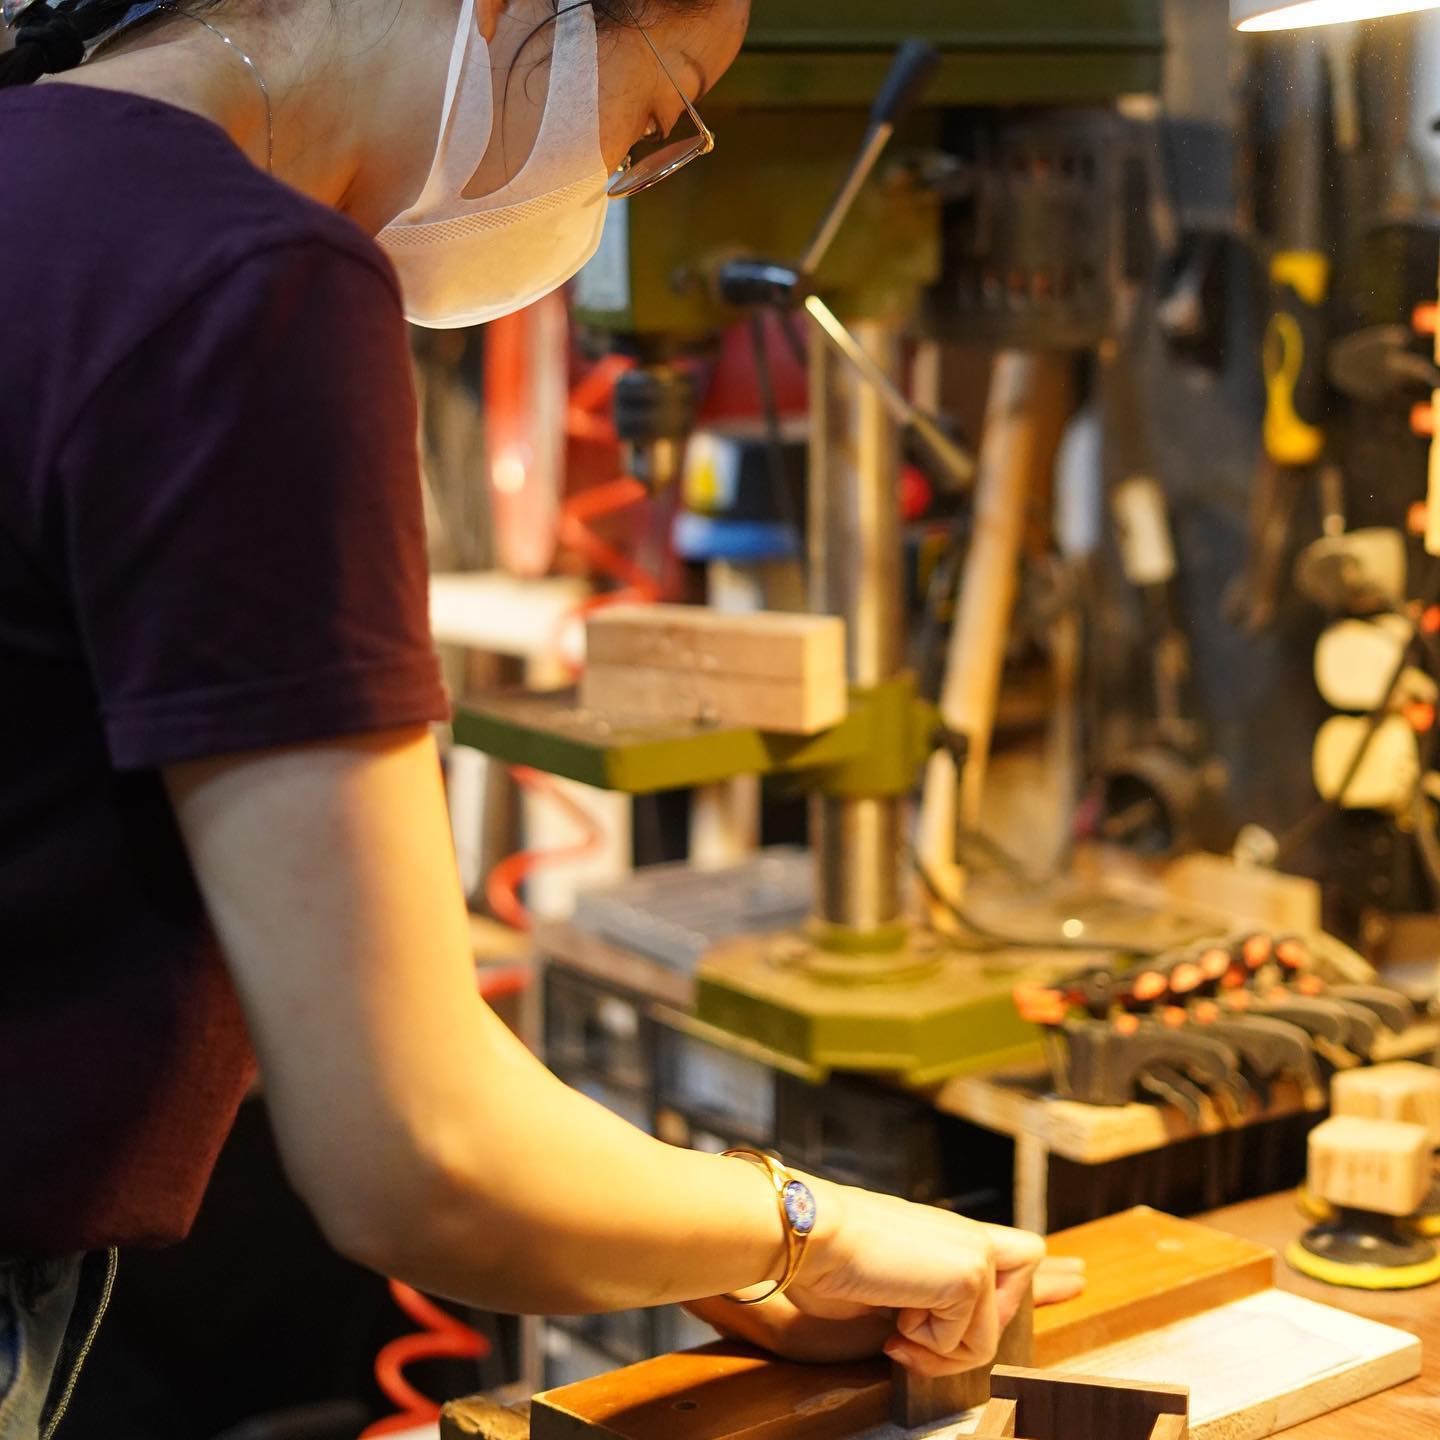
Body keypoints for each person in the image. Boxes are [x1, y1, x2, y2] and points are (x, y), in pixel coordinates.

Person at [0, 0, 1084, 1433]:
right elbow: (419, 1157)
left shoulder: (38, 172)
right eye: (656, 118)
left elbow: (319, 972)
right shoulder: (243, 280)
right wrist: (803, 1227)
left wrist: (675, 1223)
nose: (630, 176)